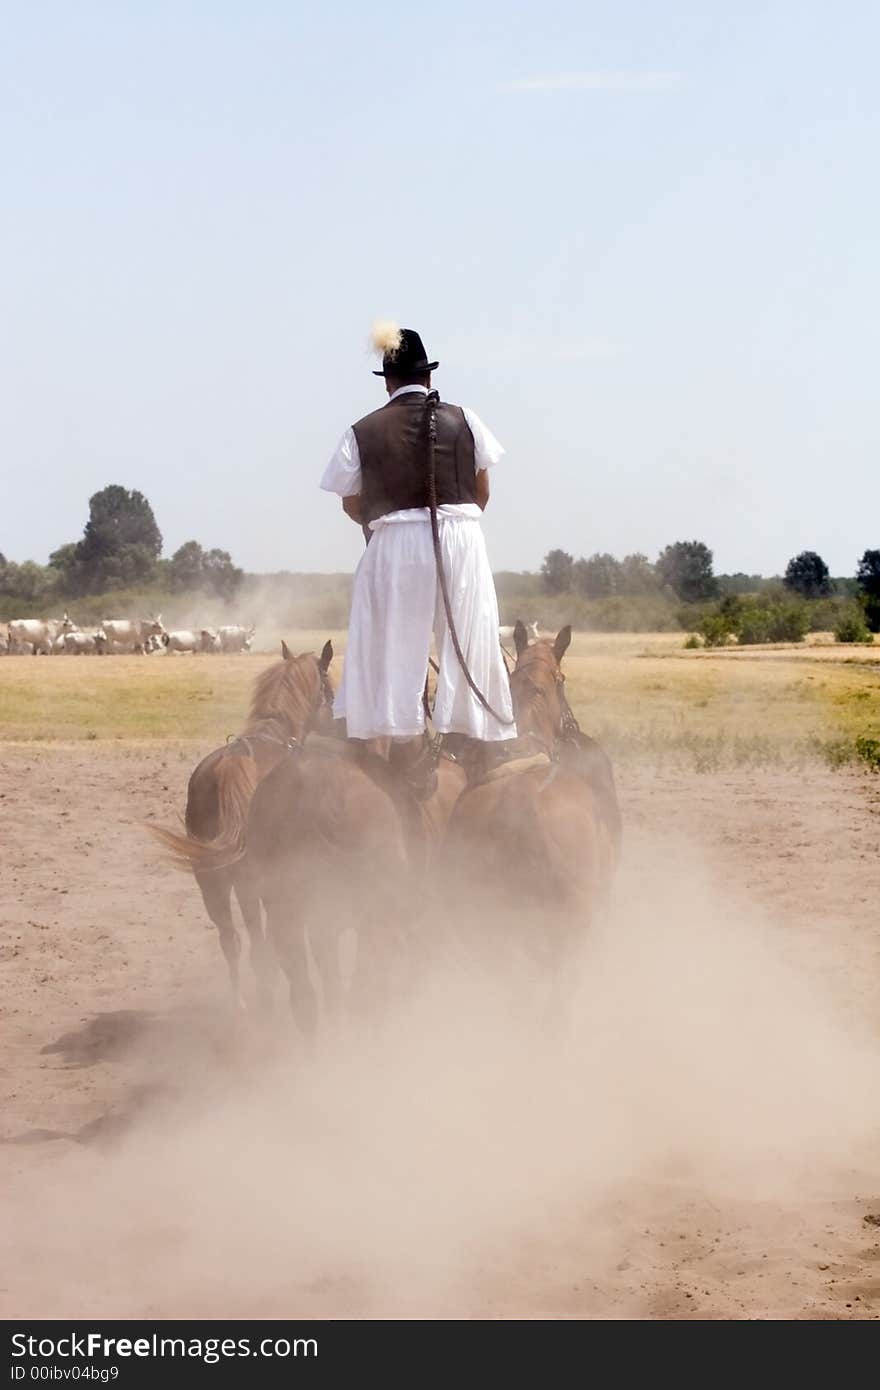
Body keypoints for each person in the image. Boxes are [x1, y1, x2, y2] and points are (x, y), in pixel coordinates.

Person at [320, 322, 516, 794]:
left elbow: (350, 501)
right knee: (471, 637)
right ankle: (480, 746)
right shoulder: (466, 418)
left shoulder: (360, 431)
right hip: (462, 536)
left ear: (387, 381)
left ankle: (396, 746)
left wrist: (385, 524)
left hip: (394, 541)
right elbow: (483, 489)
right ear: (427, 376)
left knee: (389, 643)